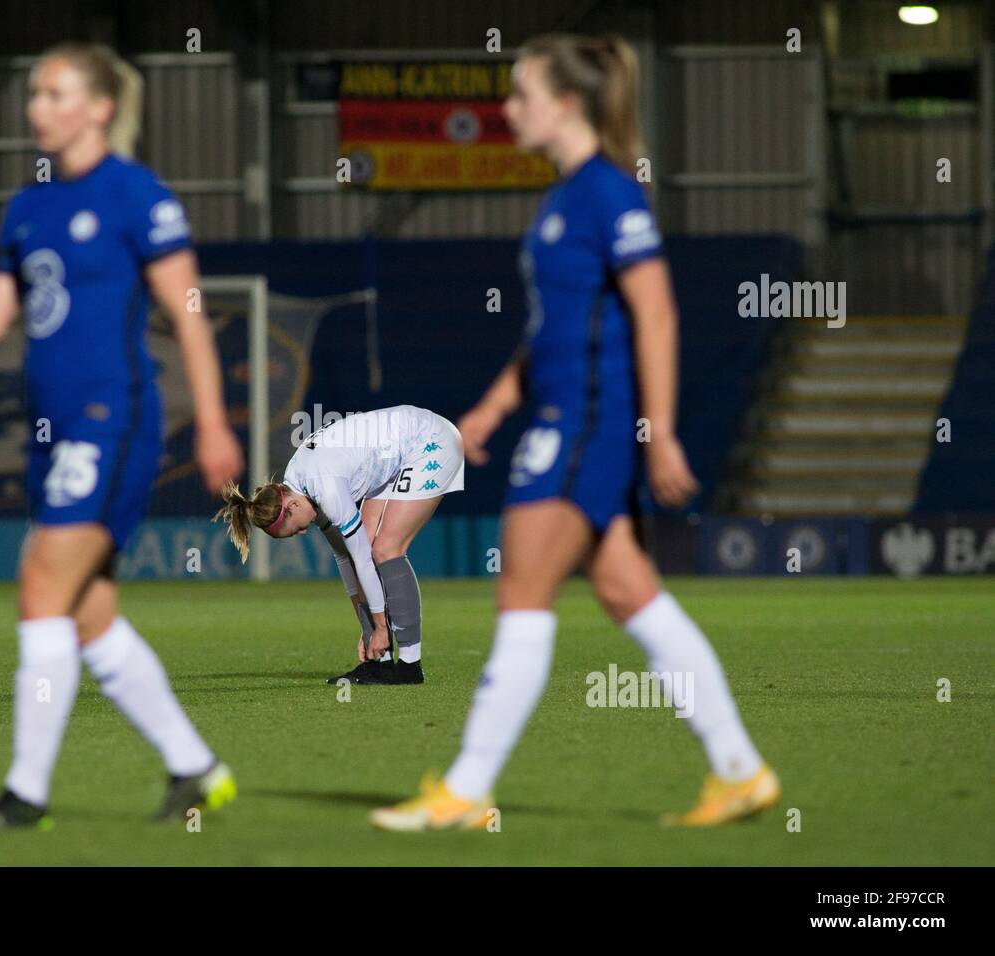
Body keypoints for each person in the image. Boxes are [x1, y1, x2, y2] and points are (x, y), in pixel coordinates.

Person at [370, 34, 779, 831]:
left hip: (585, 426)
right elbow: (550, 331)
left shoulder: (610, 197)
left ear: (566, 102)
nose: (507, 108)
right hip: (561, 419)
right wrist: (491, 406)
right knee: (633, 595)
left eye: (521, 93)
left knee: (522, 591)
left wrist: (659, 433)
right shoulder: (561, 201)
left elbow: (656, 312)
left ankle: (465, 787)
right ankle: (739, 771)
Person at [0, 42, 244, 829]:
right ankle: (197, 770)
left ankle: (25, 795)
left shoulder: (137, 195)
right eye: (34, 93)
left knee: (40, 583)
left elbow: (190, 312)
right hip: (52, 431)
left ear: (99, 108)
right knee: (89, 614)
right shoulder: (26, 208)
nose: (38, 108)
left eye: (57, 93)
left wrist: (212, 420)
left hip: (113, 420)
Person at [214, 405, 464, 684]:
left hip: (430, 442)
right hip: (395, 456)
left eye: (296, 528)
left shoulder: (325, 488)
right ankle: (379, 663)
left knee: (385, 549)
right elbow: (345, 558)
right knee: (365, 547)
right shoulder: (297, 486)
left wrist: (381, 626)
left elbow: (363, 559)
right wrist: (370, 629)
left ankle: (409, 665)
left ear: (293, 505)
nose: (301, 532)